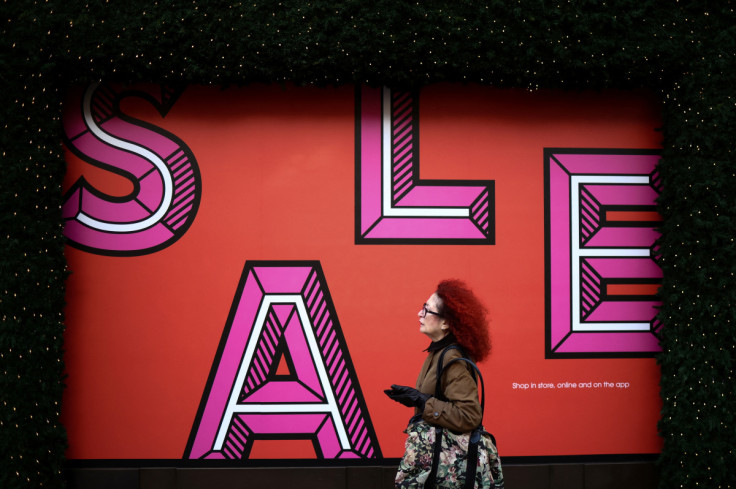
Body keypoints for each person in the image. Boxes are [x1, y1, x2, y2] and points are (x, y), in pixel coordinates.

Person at [385, 279, 501, 489]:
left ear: (446, 322)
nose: (420, 314)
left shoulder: (451, 358)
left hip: (447, 472)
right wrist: (418, 400)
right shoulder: (438, 352)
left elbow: (469, 416)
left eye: (427, 310)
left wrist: (423, 400)